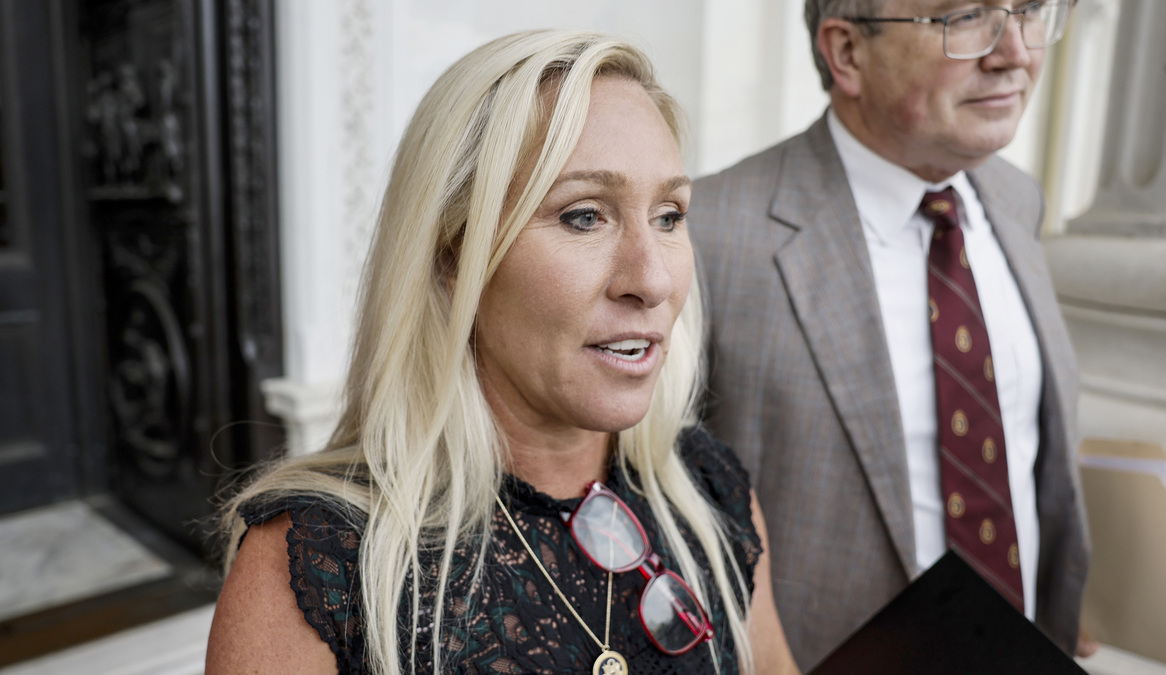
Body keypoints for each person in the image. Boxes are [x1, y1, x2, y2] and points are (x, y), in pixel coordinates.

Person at [206, 30, 799, 675]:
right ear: (453, 255)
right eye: (584, 216)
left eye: (668, 215)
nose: (653, 280)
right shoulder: (324, 567)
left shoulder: (705, 494)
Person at [687, 0, 1089, 669]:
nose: (1015, 50)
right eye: (966, 17)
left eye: (1030, 9)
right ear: (846, 52)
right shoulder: (710, 233)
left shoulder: (1018, 202)